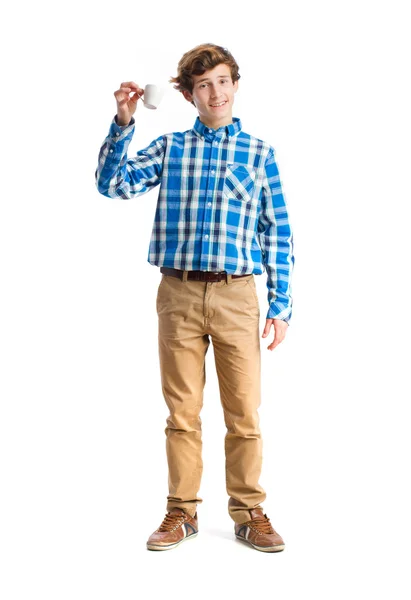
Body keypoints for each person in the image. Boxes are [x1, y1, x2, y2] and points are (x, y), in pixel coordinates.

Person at [95, 43, 295, 553]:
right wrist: (123, 123)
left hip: (238, 297)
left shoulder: (259, 152)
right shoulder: (171, 148)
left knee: (244, 414)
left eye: (224, 81)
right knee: (181, 413)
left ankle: (249, 511)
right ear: (187, 94)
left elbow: (278, 232)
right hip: (178, 294)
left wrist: (281, 305)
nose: (216, 92)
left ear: (235, 85)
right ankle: (181, 512)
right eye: (204, 84)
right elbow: (111, 184)